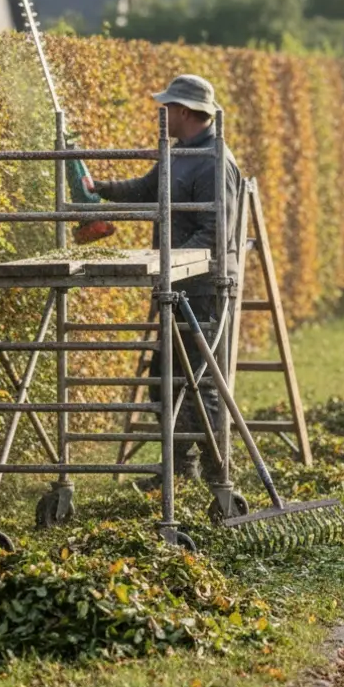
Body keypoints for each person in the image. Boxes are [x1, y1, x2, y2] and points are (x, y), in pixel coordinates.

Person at [88, 74, 242, 487]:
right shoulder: (178, 153)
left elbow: (215, 232)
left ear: (187, 112)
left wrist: (172, 265)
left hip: (204, 289)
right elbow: (144, 188)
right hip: (178, 287)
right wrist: (98, 188)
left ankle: (219, 477)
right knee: (166, 381)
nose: (162, 113)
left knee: (200, 383)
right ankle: (181, 468)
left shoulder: (214, 160)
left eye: (168, 107)